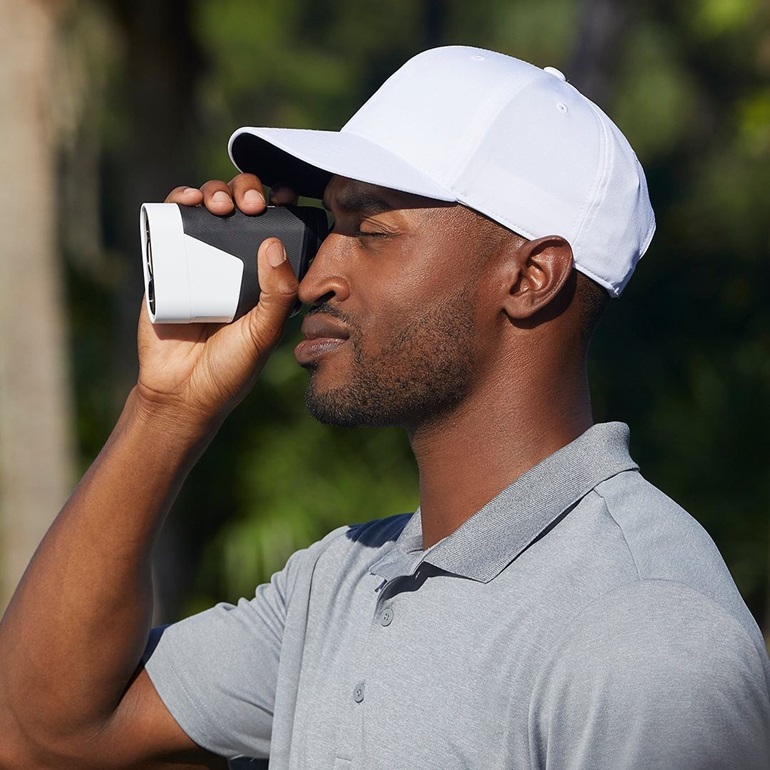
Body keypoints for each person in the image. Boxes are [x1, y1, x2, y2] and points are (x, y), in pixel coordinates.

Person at [0, 45, 768, 770]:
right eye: (324, 227)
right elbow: (41, 736)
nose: (312, 279)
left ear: (531, 276)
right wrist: (166, 408)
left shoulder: (645, 632)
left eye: (369, 231)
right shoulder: (341, 581)